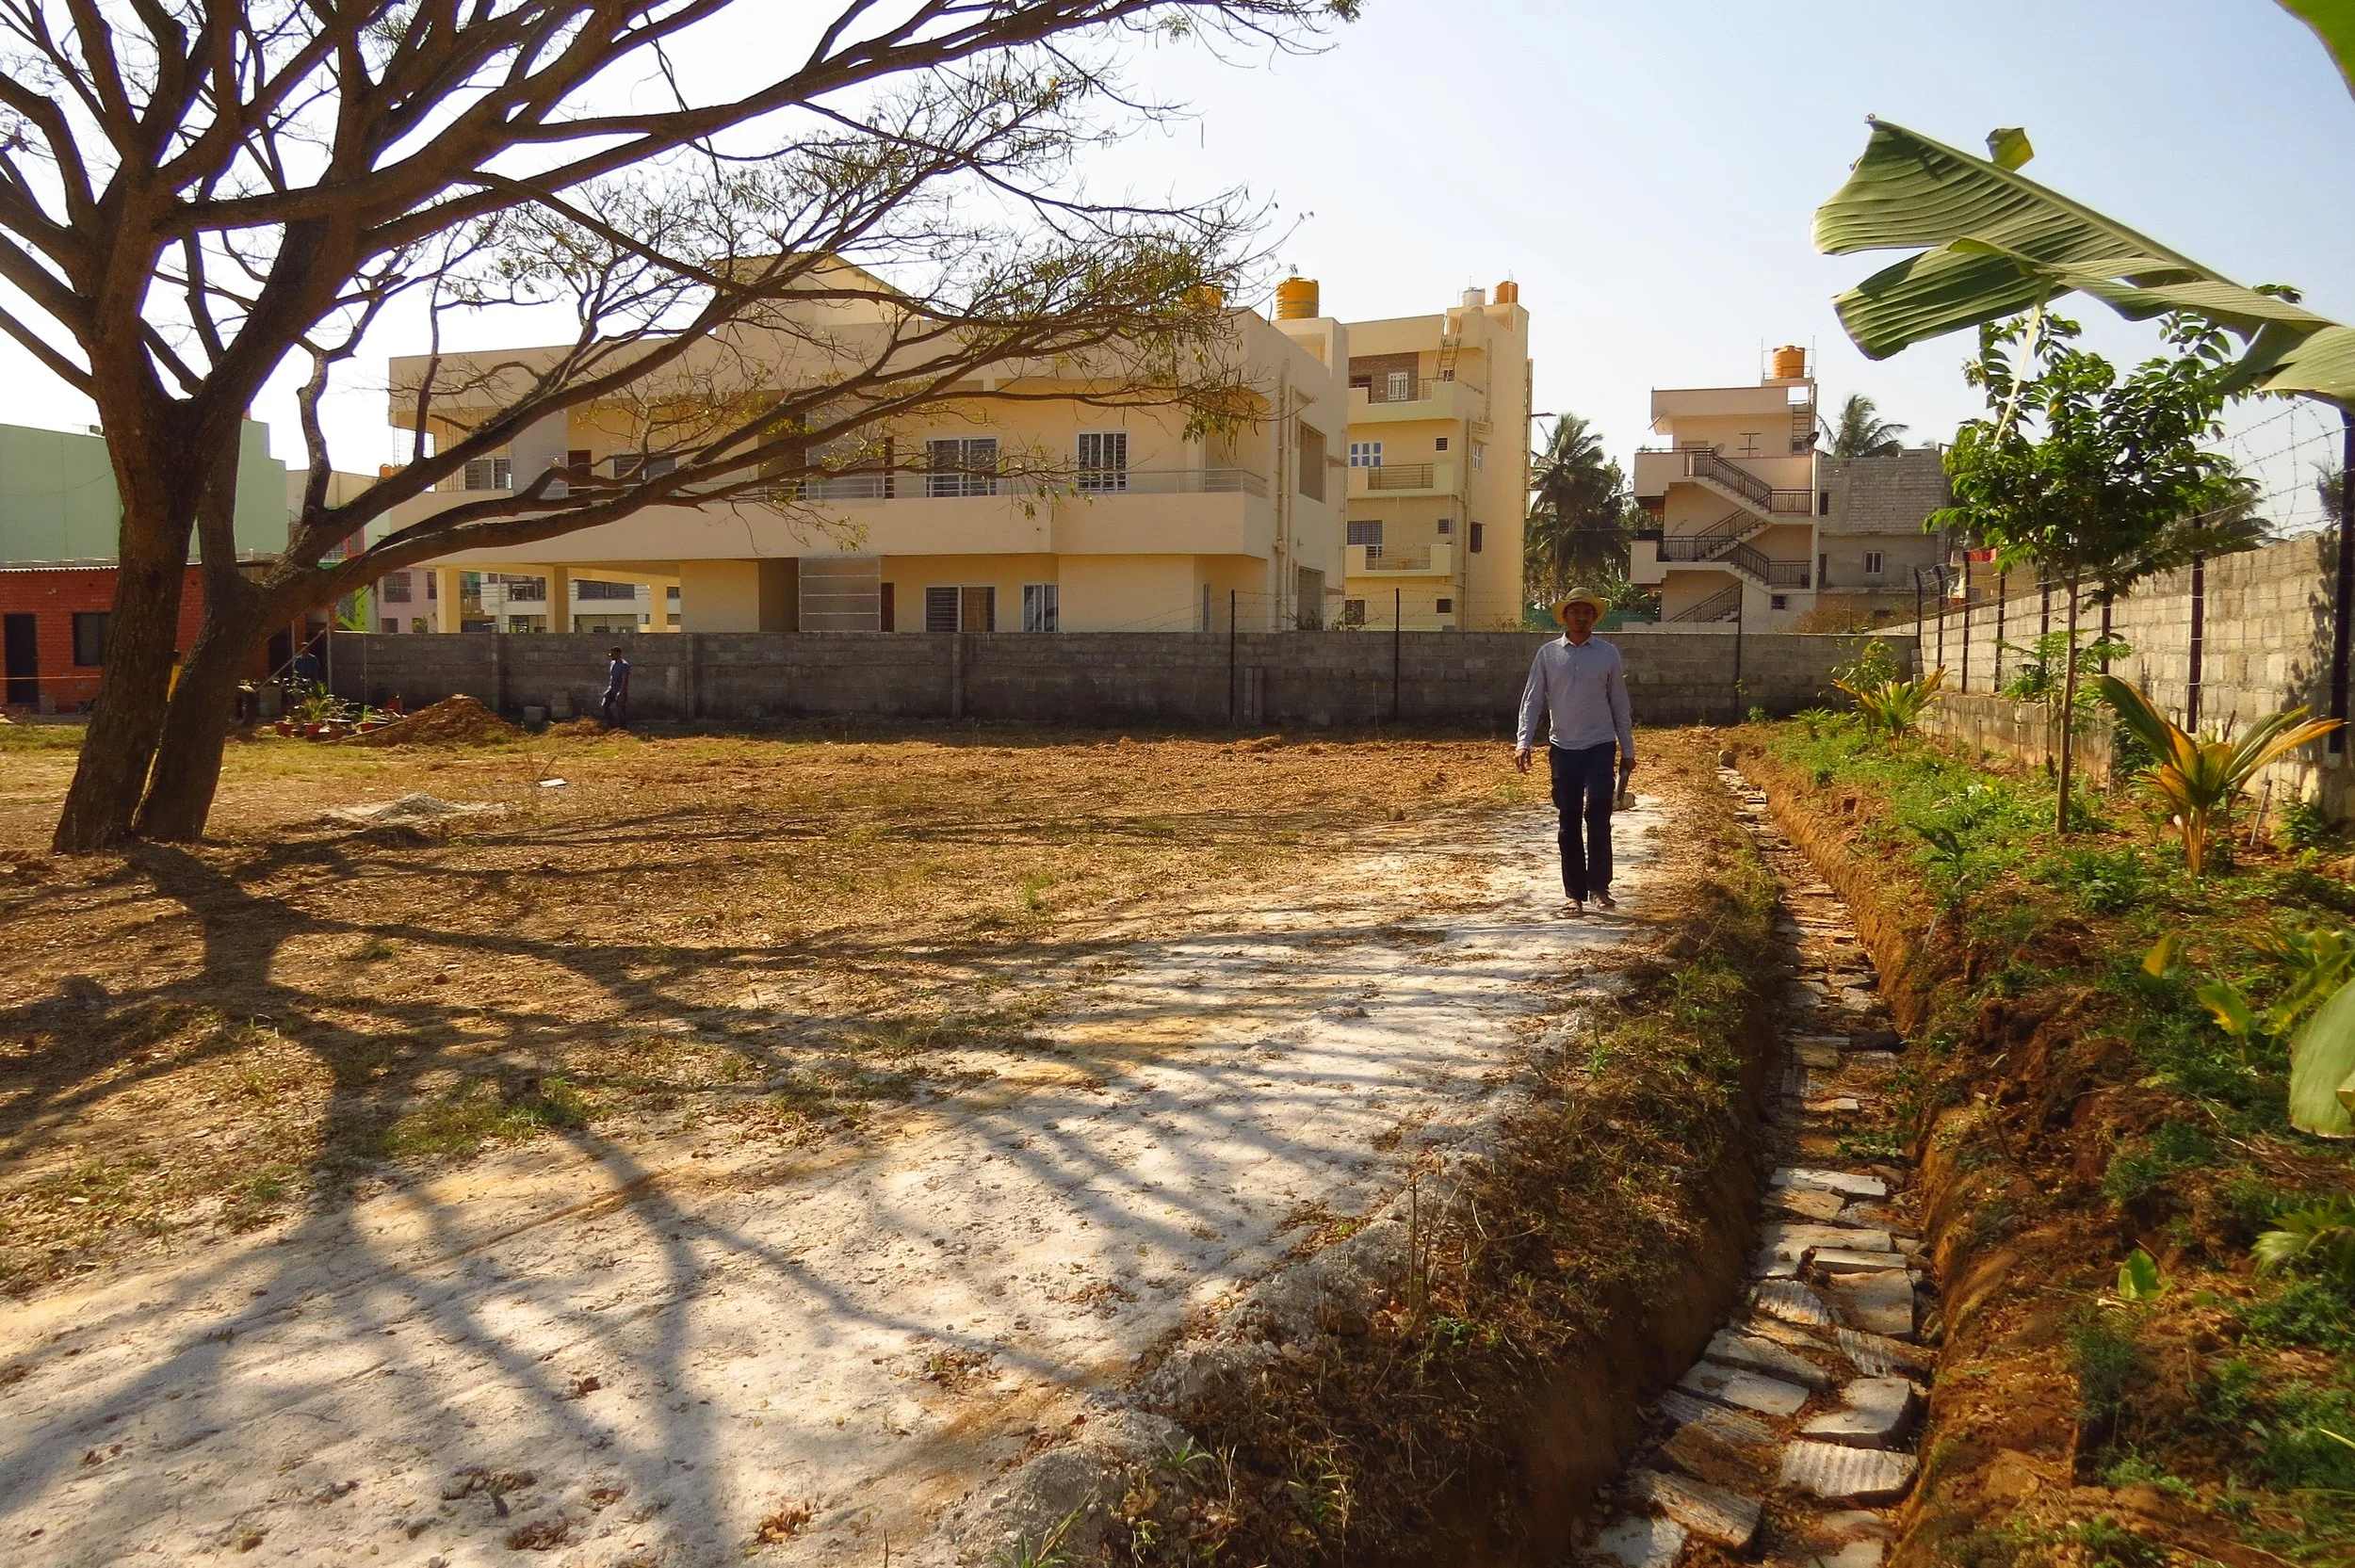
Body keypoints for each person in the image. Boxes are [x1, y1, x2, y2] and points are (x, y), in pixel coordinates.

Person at [1515, 590, 1635, 913]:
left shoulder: (1607, 654)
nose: (1581, 617)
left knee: (1598, 813)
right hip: (1563, 747)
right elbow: (1533, 700)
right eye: (1575, 612)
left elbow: (1619, 703)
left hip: (1600, 743)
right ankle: (1574, 896)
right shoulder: (1548, 654)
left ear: (1594, 618)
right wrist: (1523, 742)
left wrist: (1628, 747)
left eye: (1587, 612)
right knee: (1568, 819)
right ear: (1565, 617)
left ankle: (1599, 888)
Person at [601, 645, 631, 728]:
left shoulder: (624, 665)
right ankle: (612, 725)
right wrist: (608, 689)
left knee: (620, 711)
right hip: (612, 689)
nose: (611, 656)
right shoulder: (613, 663)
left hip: (620, 690)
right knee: (604, 705)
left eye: (613, 654)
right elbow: (612, 678)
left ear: (618, 654)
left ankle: (623, 728)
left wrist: (621, 692)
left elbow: (624, 680)